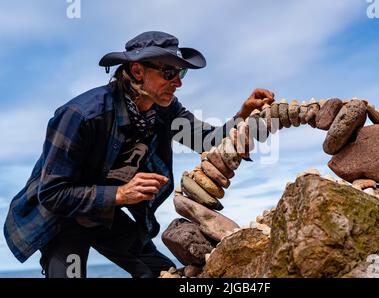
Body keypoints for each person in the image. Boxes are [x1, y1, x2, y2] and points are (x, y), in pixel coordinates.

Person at [3, 31, 275, 278]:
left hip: (104, 215)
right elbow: (52, 194)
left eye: (182, 74)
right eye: (169, 72)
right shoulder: (82, 116)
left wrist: (243, 115)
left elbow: (208, 141)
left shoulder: (165, 110)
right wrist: (121, 195)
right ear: (136, 71)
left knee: (162, 274)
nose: (178, 83)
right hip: (60, 218)